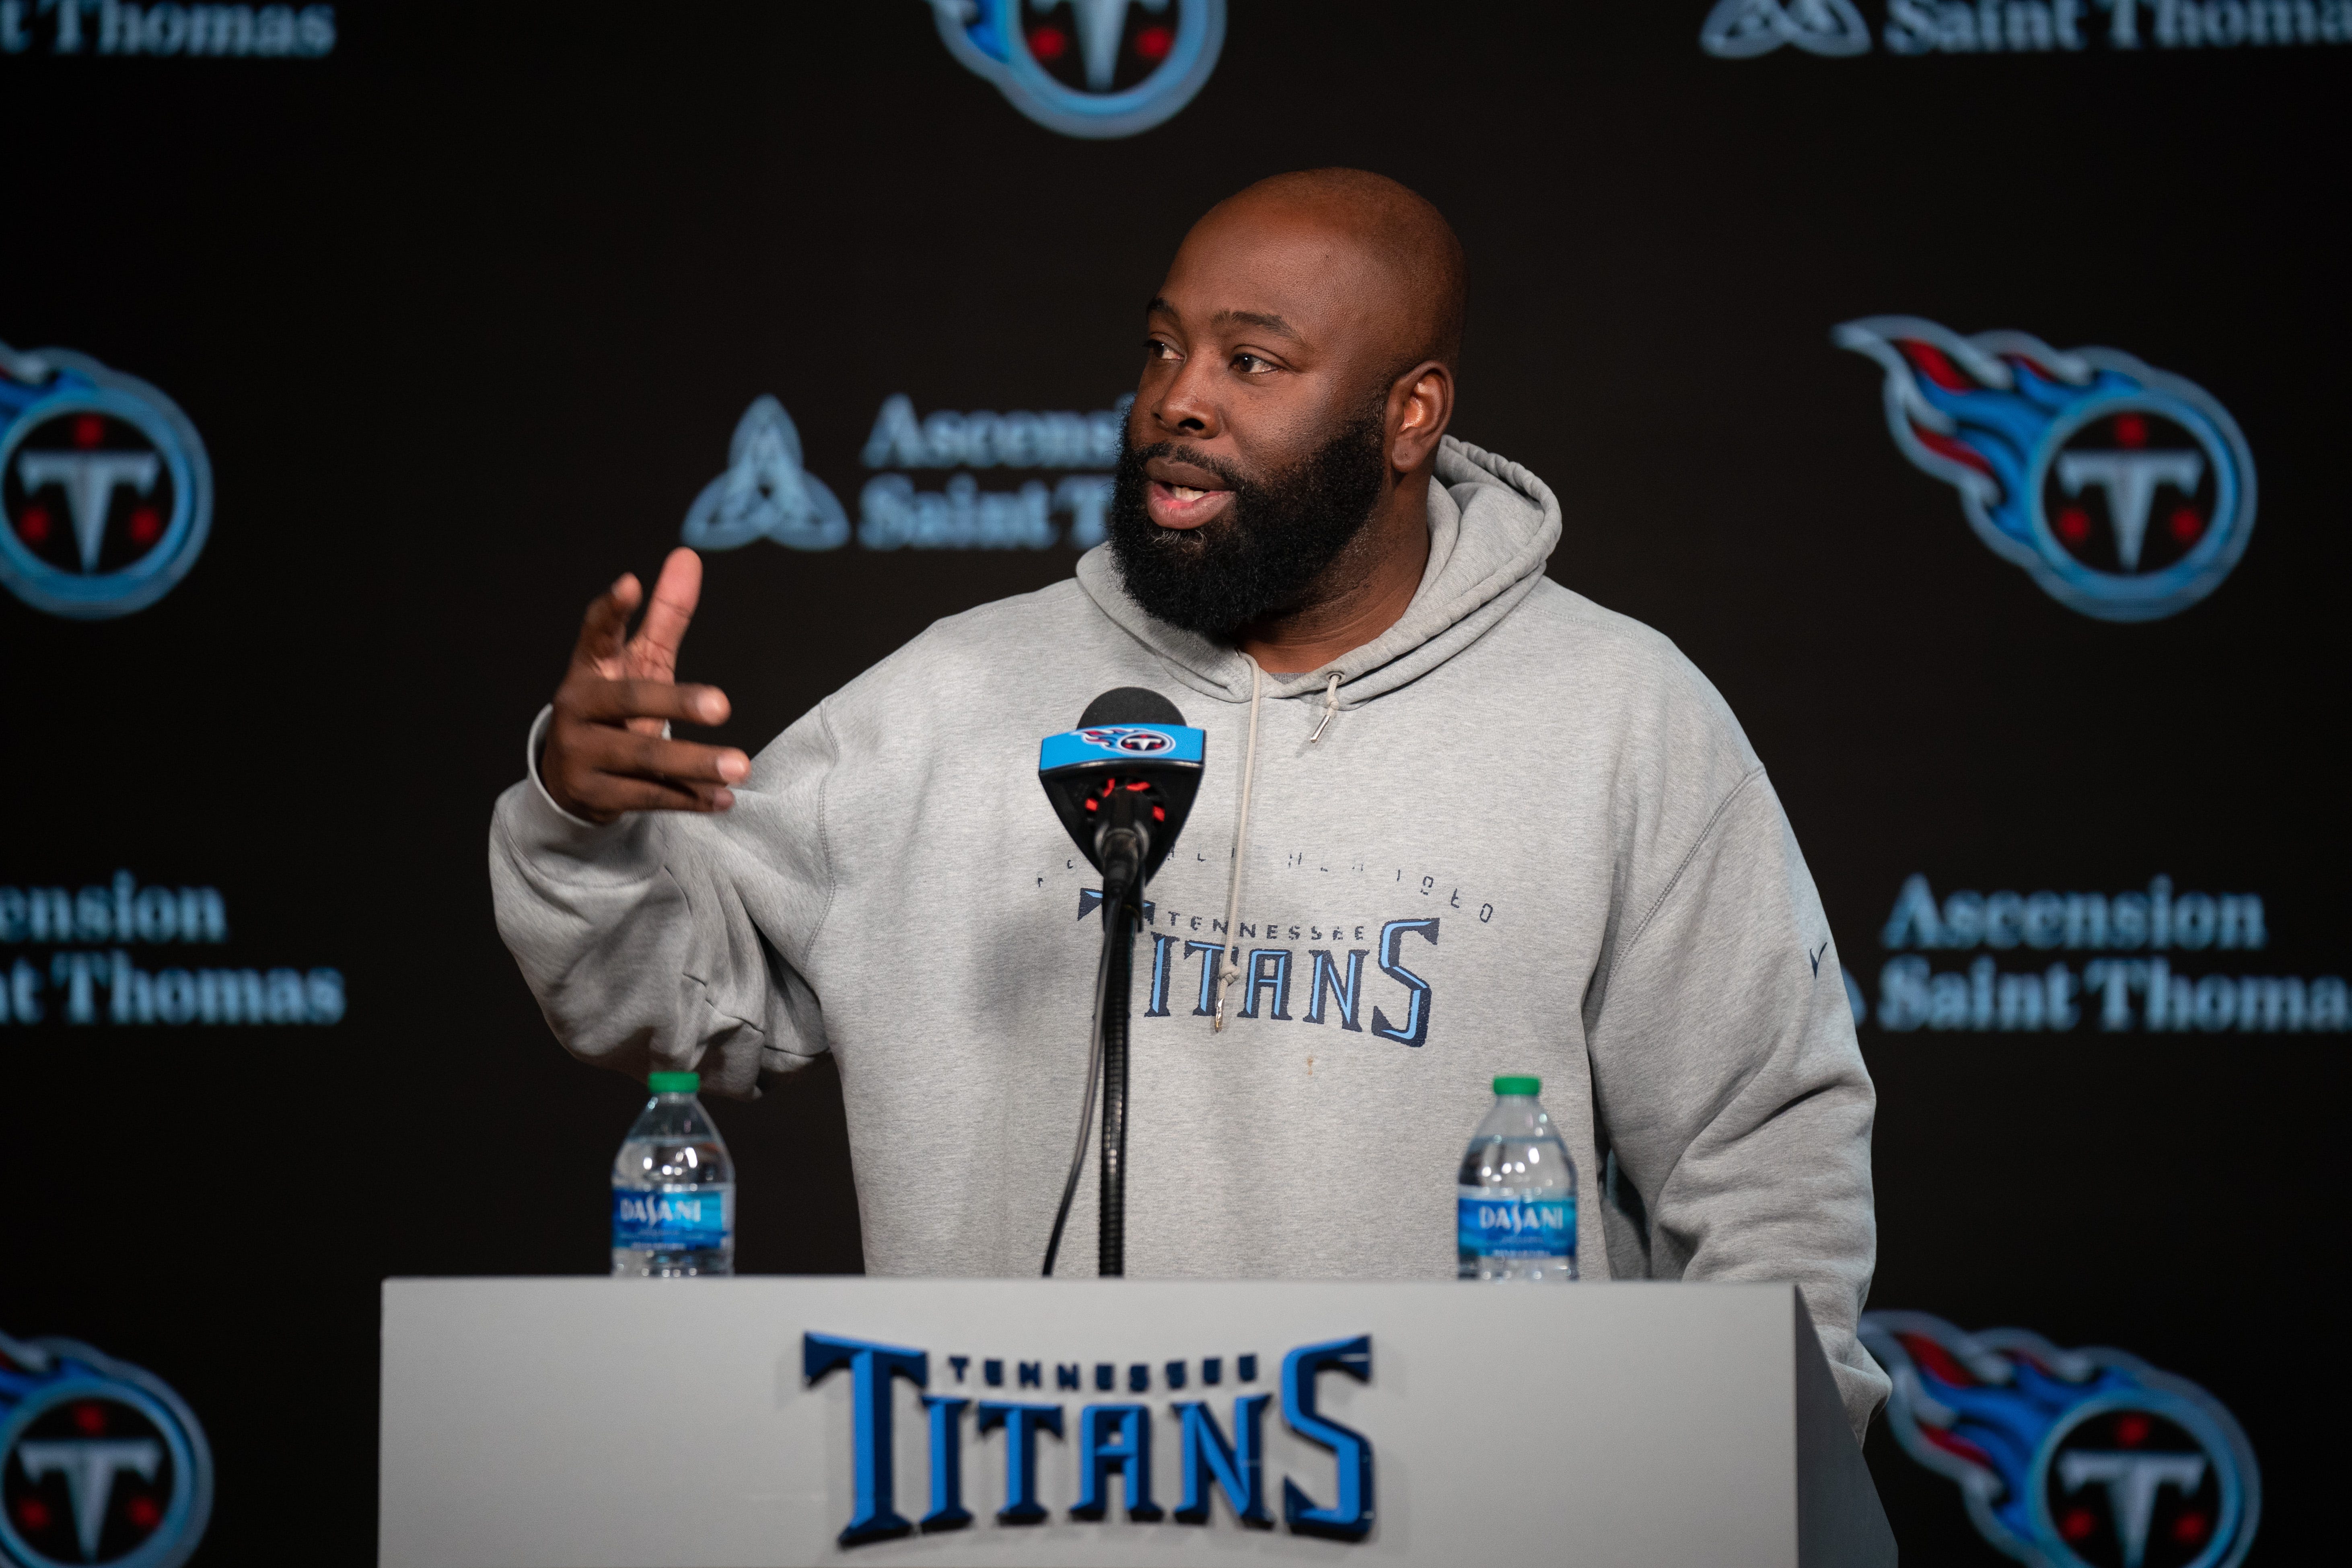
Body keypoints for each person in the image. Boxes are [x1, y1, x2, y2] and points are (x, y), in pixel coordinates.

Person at [490, 169, 1887, 1440]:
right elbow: (668, 1005)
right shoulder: (957, 693)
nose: (1178, 399)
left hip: (1469, 1512)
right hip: (1003, 1503)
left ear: (1410, 415)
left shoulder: (1619, 716)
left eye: (1252, 361)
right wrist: (581, 817)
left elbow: (1764, 1159)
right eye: (1162, 348)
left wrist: (1776, 1478)